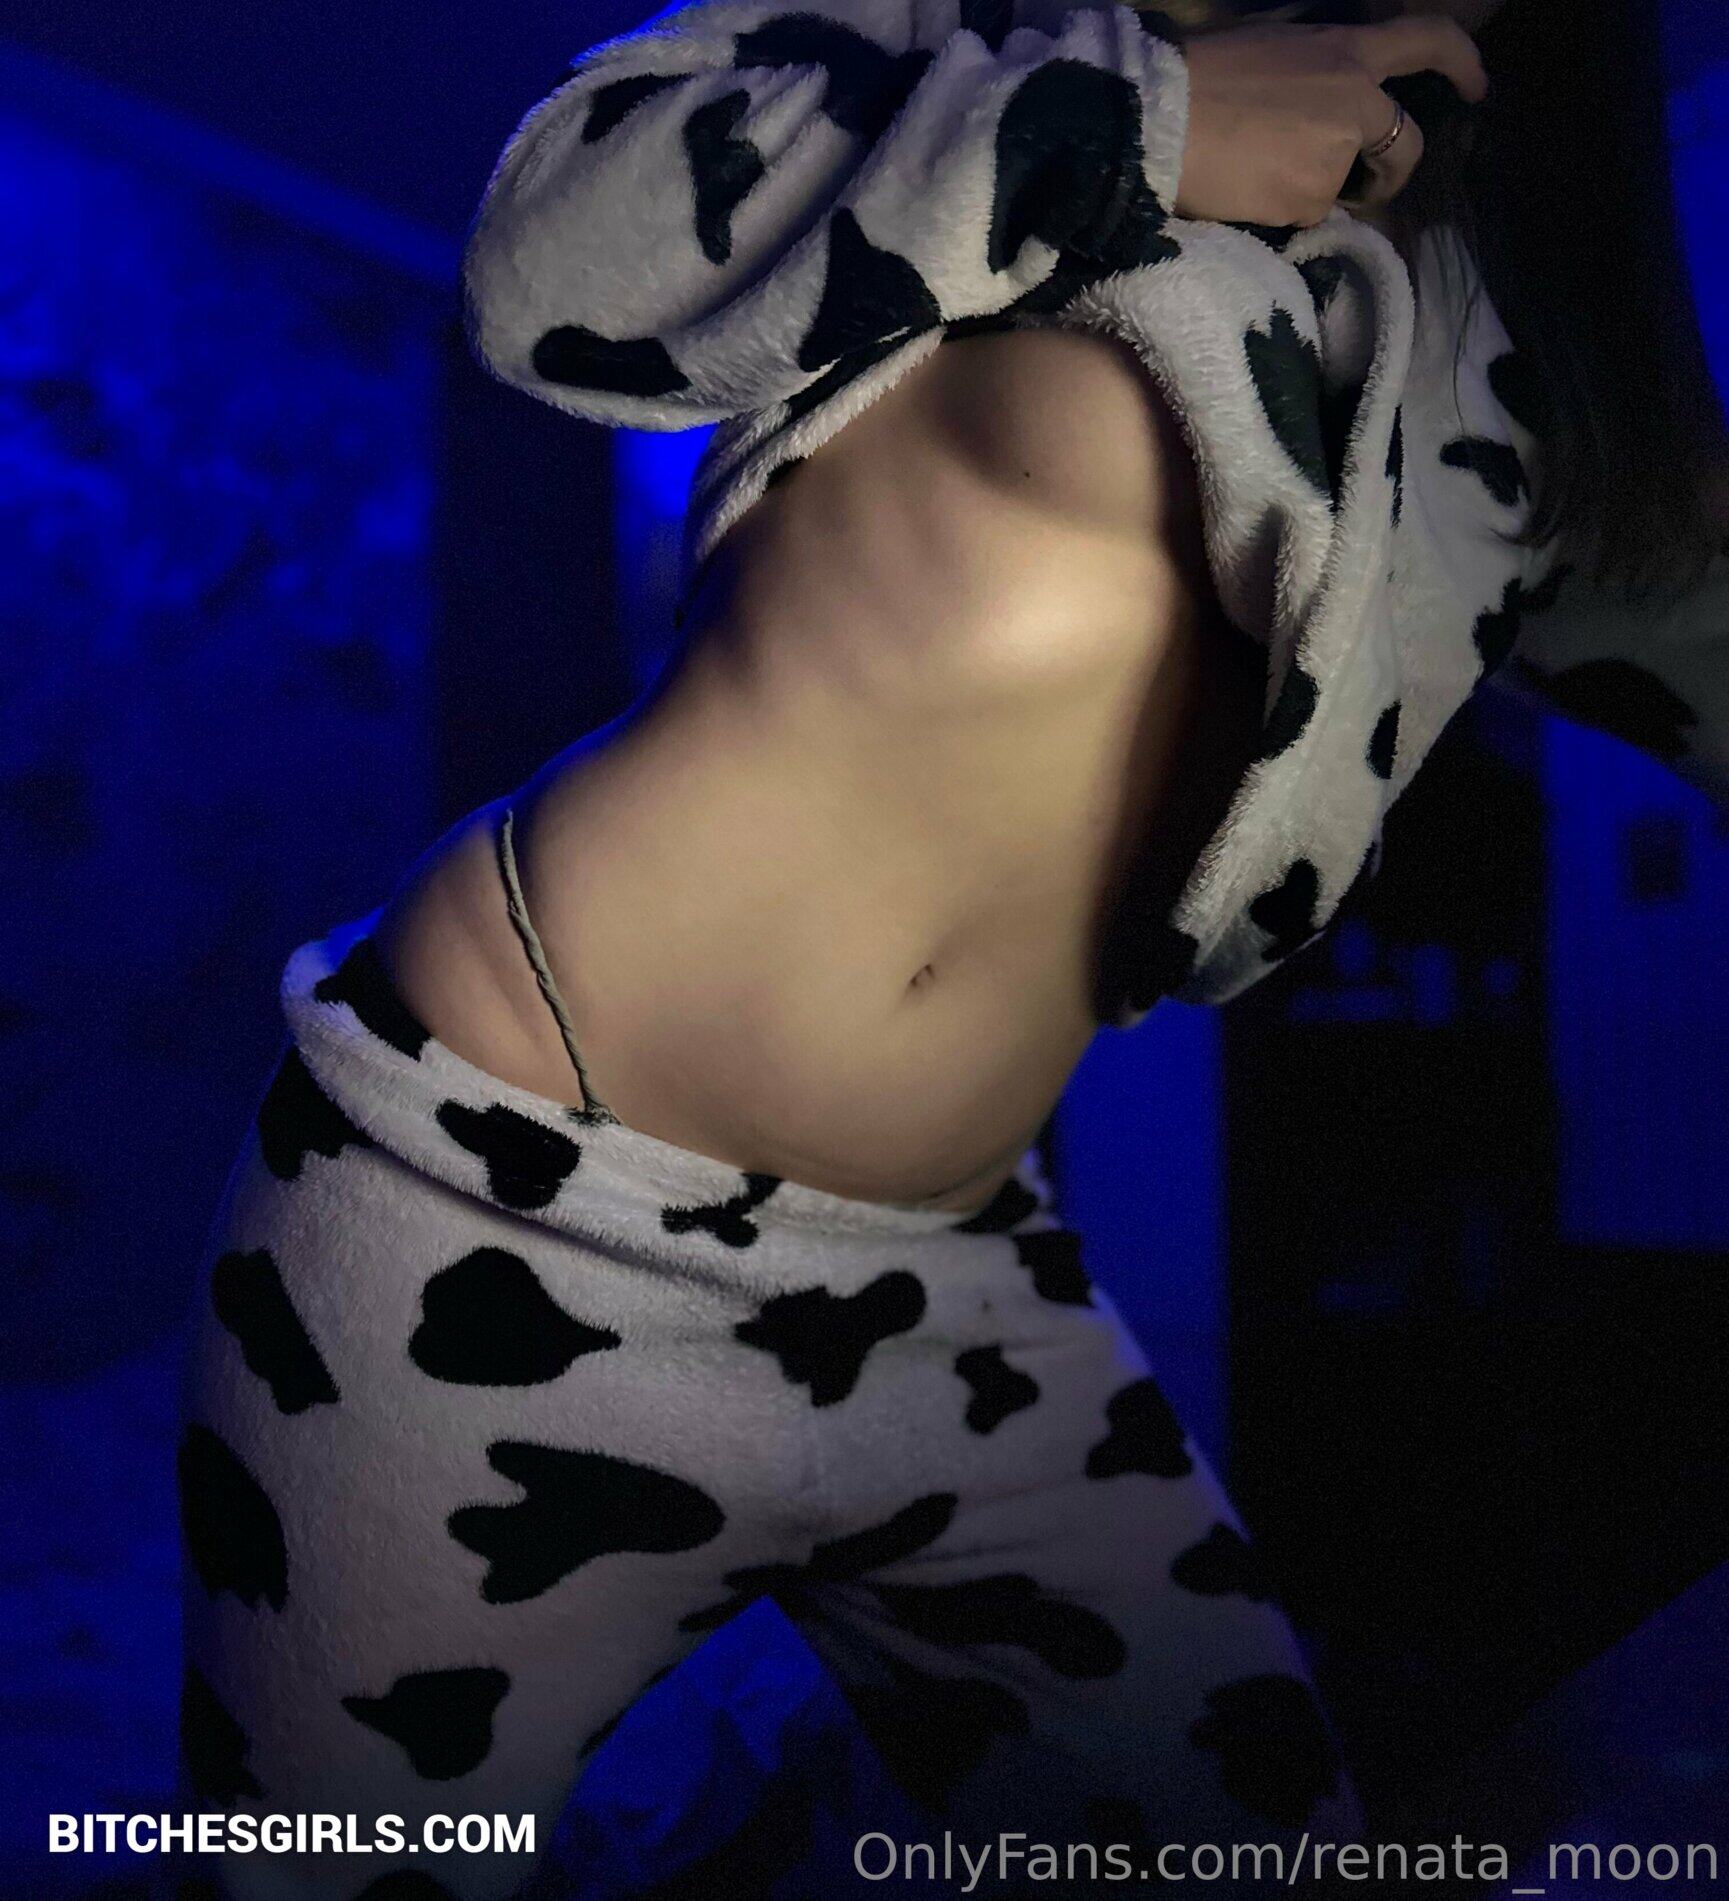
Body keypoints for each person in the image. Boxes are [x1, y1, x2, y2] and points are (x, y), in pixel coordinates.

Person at [175, 0, 1729, 1892]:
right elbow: (542, 262)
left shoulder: (1525, 372)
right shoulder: (1004, 26)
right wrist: (1135, 129)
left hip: (951, 1290)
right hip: (480, 1194)